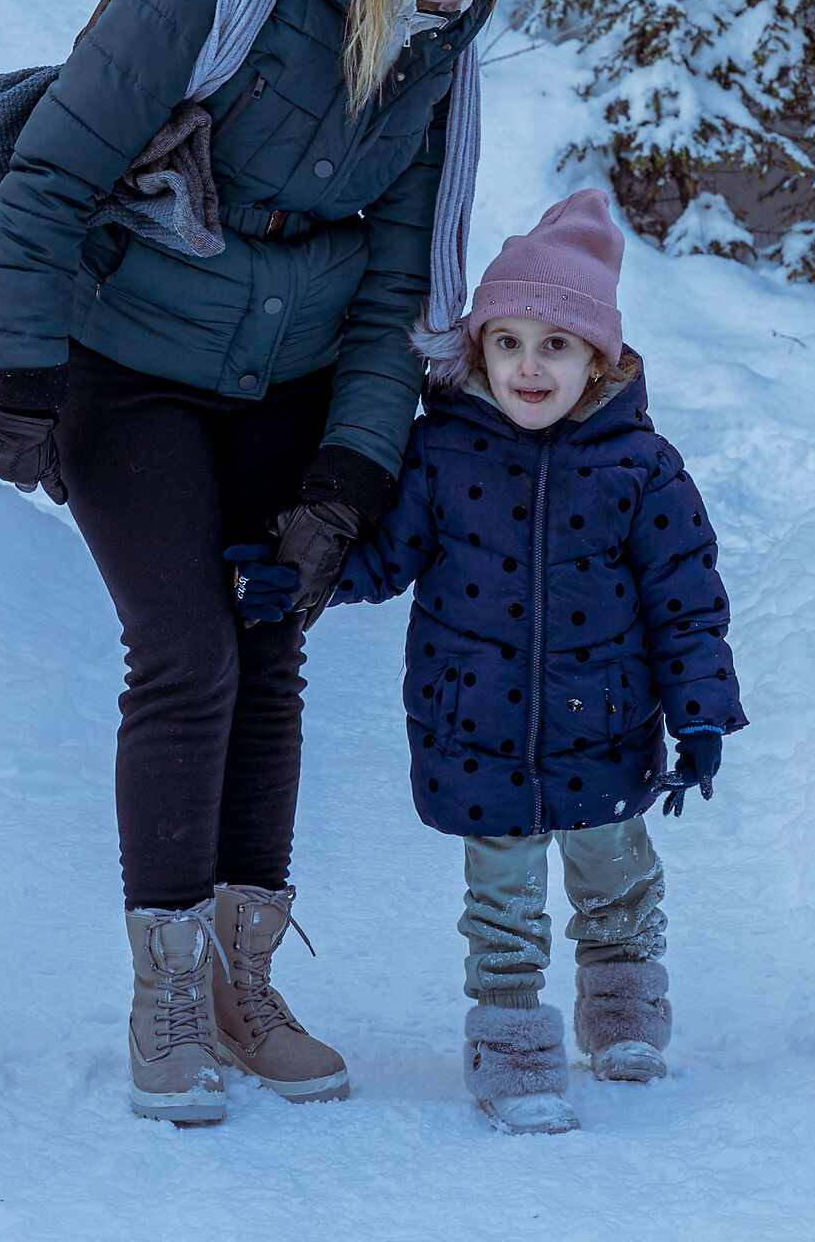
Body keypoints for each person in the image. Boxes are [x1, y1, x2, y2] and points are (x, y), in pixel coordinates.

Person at [0, 0, 523, 1124]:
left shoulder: (441, 42)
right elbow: (51, 170)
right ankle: (161, 990)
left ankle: (239, 983)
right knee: (186, 649)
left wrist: (348, 481)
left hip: (298, 368)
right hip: (130, 366)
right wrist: (22, 376)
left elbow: (402, 288)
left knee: (268, 646)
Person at [233, 189, 745, 1135]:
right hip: (479, 725)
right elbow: (387, 560)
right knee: (502, 909)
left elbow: (686, 600)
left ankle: (623, 1015)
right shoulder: (443, 455)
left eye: (555, 345)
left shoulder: (643, 465)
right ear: (478, 352)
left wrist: (702, 714)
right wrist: (299, 578)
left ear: (599, 357)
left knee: (618, 877)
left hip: (608, 722)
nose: (528, 366)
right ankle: (512, 1053)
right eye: (507, 342)